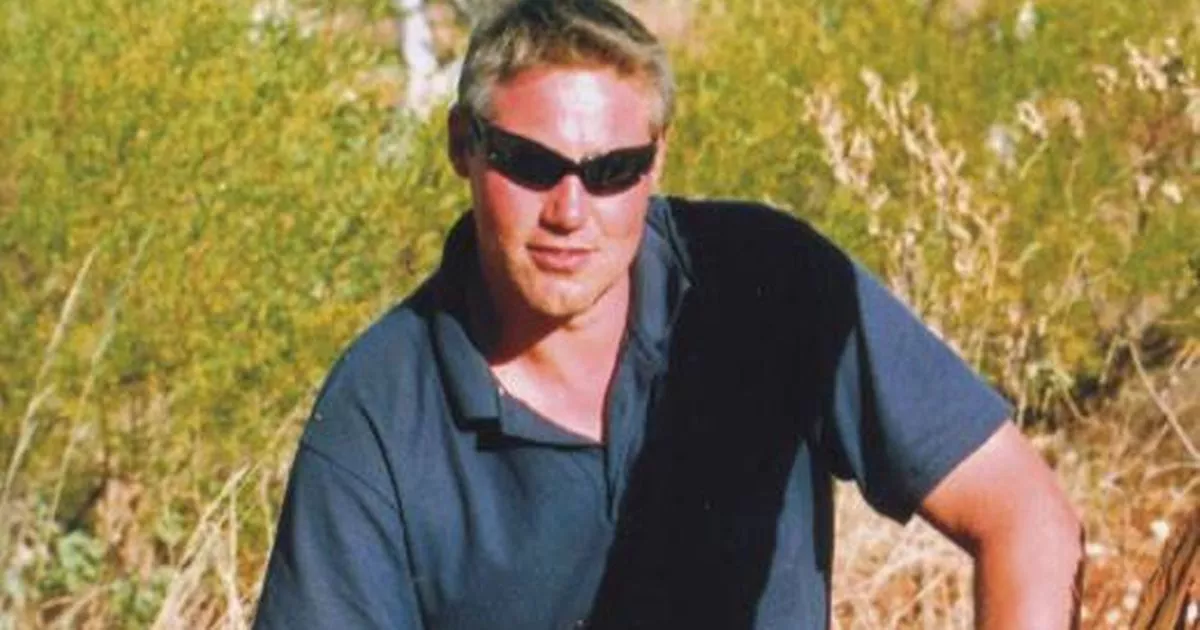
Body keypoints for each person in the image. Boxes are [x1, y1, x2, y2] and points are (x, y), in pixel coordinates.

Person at [253, 1, 1084, 628]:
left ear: (657, 162)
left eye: (611, 170)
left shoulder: (769, 282)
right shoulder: (379, 409)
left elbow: (1024, 513)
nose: (570, 211)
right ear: (461, 147)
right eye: (530, 164)